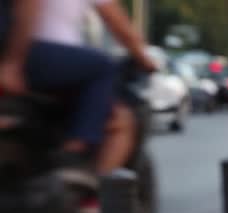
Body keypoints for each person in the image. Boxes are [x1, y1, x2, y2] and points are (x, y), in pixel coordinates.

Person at [0, 0, 156, 181]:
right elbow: (120, 26)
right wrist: (145, 59)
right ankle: (79, 158)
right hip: (43, 64)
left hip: (41, 68)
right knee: (118, 114)